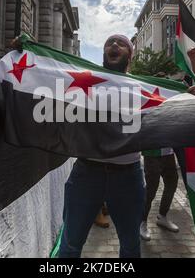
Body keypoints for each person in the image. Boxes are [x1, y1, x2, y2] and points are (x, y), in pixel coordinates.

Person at [59, 35, 145, 258]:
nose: (114, 45)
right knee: (70, 245)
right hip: (86, 173)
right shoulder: (85, 80)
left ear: (130, 54)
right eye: (109, 43)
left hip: (129, 176)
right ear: (104, 53)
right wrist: (26, 54)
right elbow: (44, 79)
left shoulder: (143, 88)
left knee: (131, 245)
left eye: (121, 43)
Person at [140, 148, 179, 241]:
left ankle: (162, 216)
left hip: (168, 152)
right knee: (151, 188)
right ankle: (142, 221)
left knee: (172, 183)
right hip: (152, 152)